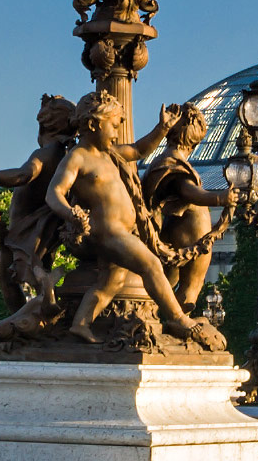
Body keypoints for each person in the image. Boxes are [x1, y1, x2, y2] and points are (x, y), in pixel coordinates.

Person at [46, 91, 223, 350]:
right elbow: (54, 193)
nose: (117, 132)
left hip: (123, 231)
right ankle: (176, 318)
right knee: (151, 264)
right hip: (108, 232)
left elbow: (140, 149)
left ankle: (80, 323)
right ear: (94, 124)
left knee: (111, 282)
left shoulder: (109, 153)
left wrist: (162, 128)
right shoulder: (78, 157)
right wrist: (71, 213)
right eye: (114, 125)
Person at [0, 94, 76, 312]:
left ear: (47, 124)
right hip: (37, 227)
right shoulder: (61, 154)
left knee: (8, 279)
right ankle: (38, 320)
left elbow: (22, 176)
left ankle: (26, 328)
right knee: (35, 275)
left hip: (27, 231)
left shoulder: (46, 153)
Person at [142, 104, 238, 314]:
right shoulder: (172, 162)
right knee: (190, 288)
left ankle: (164, 319)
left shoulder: (165, 160)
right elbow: (187, 191)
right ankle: (177, 322)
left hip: (178, 232)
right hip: (190, 237)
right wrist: (221, 198)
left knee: (167, 285)